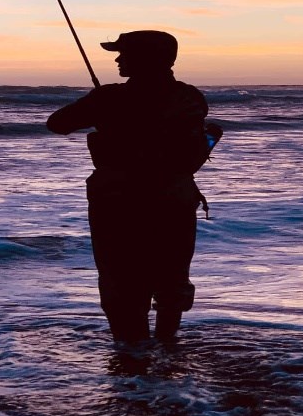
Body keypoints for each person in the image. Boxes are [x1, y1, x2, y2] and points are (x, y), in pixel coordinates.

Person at [46, 30, 211, 343]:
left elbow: (57, 123)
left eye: (125, 54)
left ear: (146, 59)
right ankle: (166, 349)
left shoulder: (109, 98)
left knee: (121, 282)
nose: (119, 60)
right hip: (174, 199)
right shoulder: (190, 97)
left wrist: (103, 110)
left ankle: (131, 358)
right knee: (171, 276)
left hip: (119, 202)